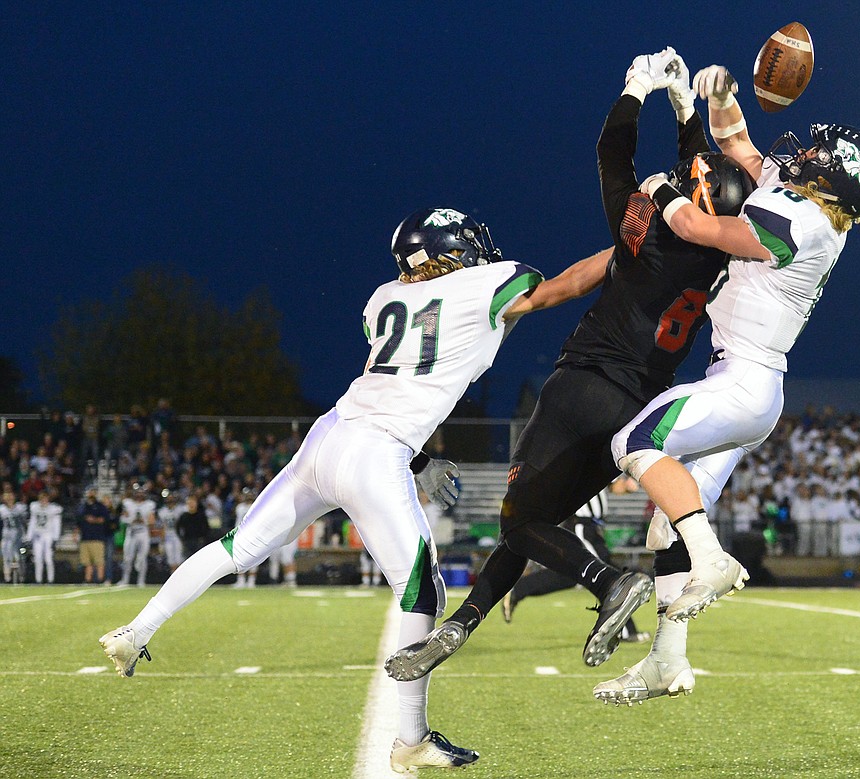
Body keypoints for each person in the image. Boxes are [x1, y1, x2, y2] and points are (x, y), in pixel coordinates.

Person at [99, 206, 611, 773]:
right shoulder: (484, 282)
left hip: (330, 436)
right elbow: (558, 289)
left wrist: (418, 462)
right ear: (451, 251)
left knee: (238, 547)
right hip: (376, 450)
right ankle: (411, 737)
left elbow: (404, 370)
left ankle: (136, 629)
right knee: (422, 592)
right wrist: (636, 249)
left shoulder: (383, 297)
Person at [387, 49, 755, 685]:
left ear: (691, 202)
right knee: (538, 521)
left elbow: (613, 156)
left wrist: (637, 89)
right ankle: (462, 624)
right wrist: (686, 108)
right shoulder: (726, 255)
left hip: (584, 384)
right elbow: (709, 173)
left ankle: (612, 583)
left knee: (521, 519)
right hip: (639, 405)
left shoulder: (650, 234)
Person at [597, 58, 860, 704]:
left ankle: (714, 556)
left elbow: (700, 227)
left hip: (745, 383)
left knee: (634, 443)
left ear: (834, 179)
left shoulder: (804, 224)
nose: (805, 151)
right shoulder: (810, 199)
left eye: (819, 152)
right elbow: (738, 144)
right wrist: (720, 93)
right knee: (669, 522)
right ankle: (667, 660)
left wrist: (660, 190)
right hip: (749, 384)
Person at [500, 489, 648, 644]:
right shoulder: (587, 466)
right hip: (582, 526)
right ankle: (624, 630)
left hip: (591, 527)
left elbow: (617, 486)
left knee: (570, 576)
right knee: (606, 576)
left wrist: (626, 485)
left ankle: (518, 590)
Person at [118, 484, 156, 587]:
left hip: (143, 532)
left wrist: (143, 521)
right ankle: (125, 580)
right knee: (127, 558)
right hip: (131, 531)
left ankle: (141, 581)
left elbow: (152, 520)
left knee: (142, 558)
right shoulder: (128, 503)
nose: (139, 494)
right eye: (137, 492)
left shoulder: (149, 504)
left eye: (141, 492)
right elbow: (123, 518)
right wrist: (132, 520)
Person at [26, 490, 62, 583]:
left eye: (45, 498)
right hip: (38, 535)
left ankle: (50, 580)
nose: (44, 501)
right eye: (42, 499)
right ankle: (38, 580)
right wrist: (29, 537)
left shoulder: (53, 508)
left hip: (48, 535)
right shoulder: (34, 507)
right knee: (37, 559)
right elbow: (32, 523)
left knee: (48, 559)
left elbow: (56, 524)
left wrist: (55, 538)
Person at [79, 488, 112, 584]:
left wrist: (93, 520)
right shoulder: (83, 507)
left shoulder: (100, 506)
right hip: (85, 537)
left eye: (93, 492)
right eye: (90, 492)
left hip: (97, 537)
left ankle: (100, 580)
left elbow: (104, 520)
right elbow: (79, 520)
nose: (91, 494)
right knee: (87, 562)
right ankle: (88, 580)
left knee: (99, 561)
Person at [1, 485, 28, 582]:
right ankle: (7, 577)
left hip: (19, 536)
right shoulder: (2, 509)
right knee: (6, 556)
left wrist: (26, 536)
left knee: (20, 556)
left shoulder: (20, 507)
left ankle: (21, 575)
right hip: (6, 536)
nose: (9, 498)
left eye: (11, 496)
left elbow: (24, 523)